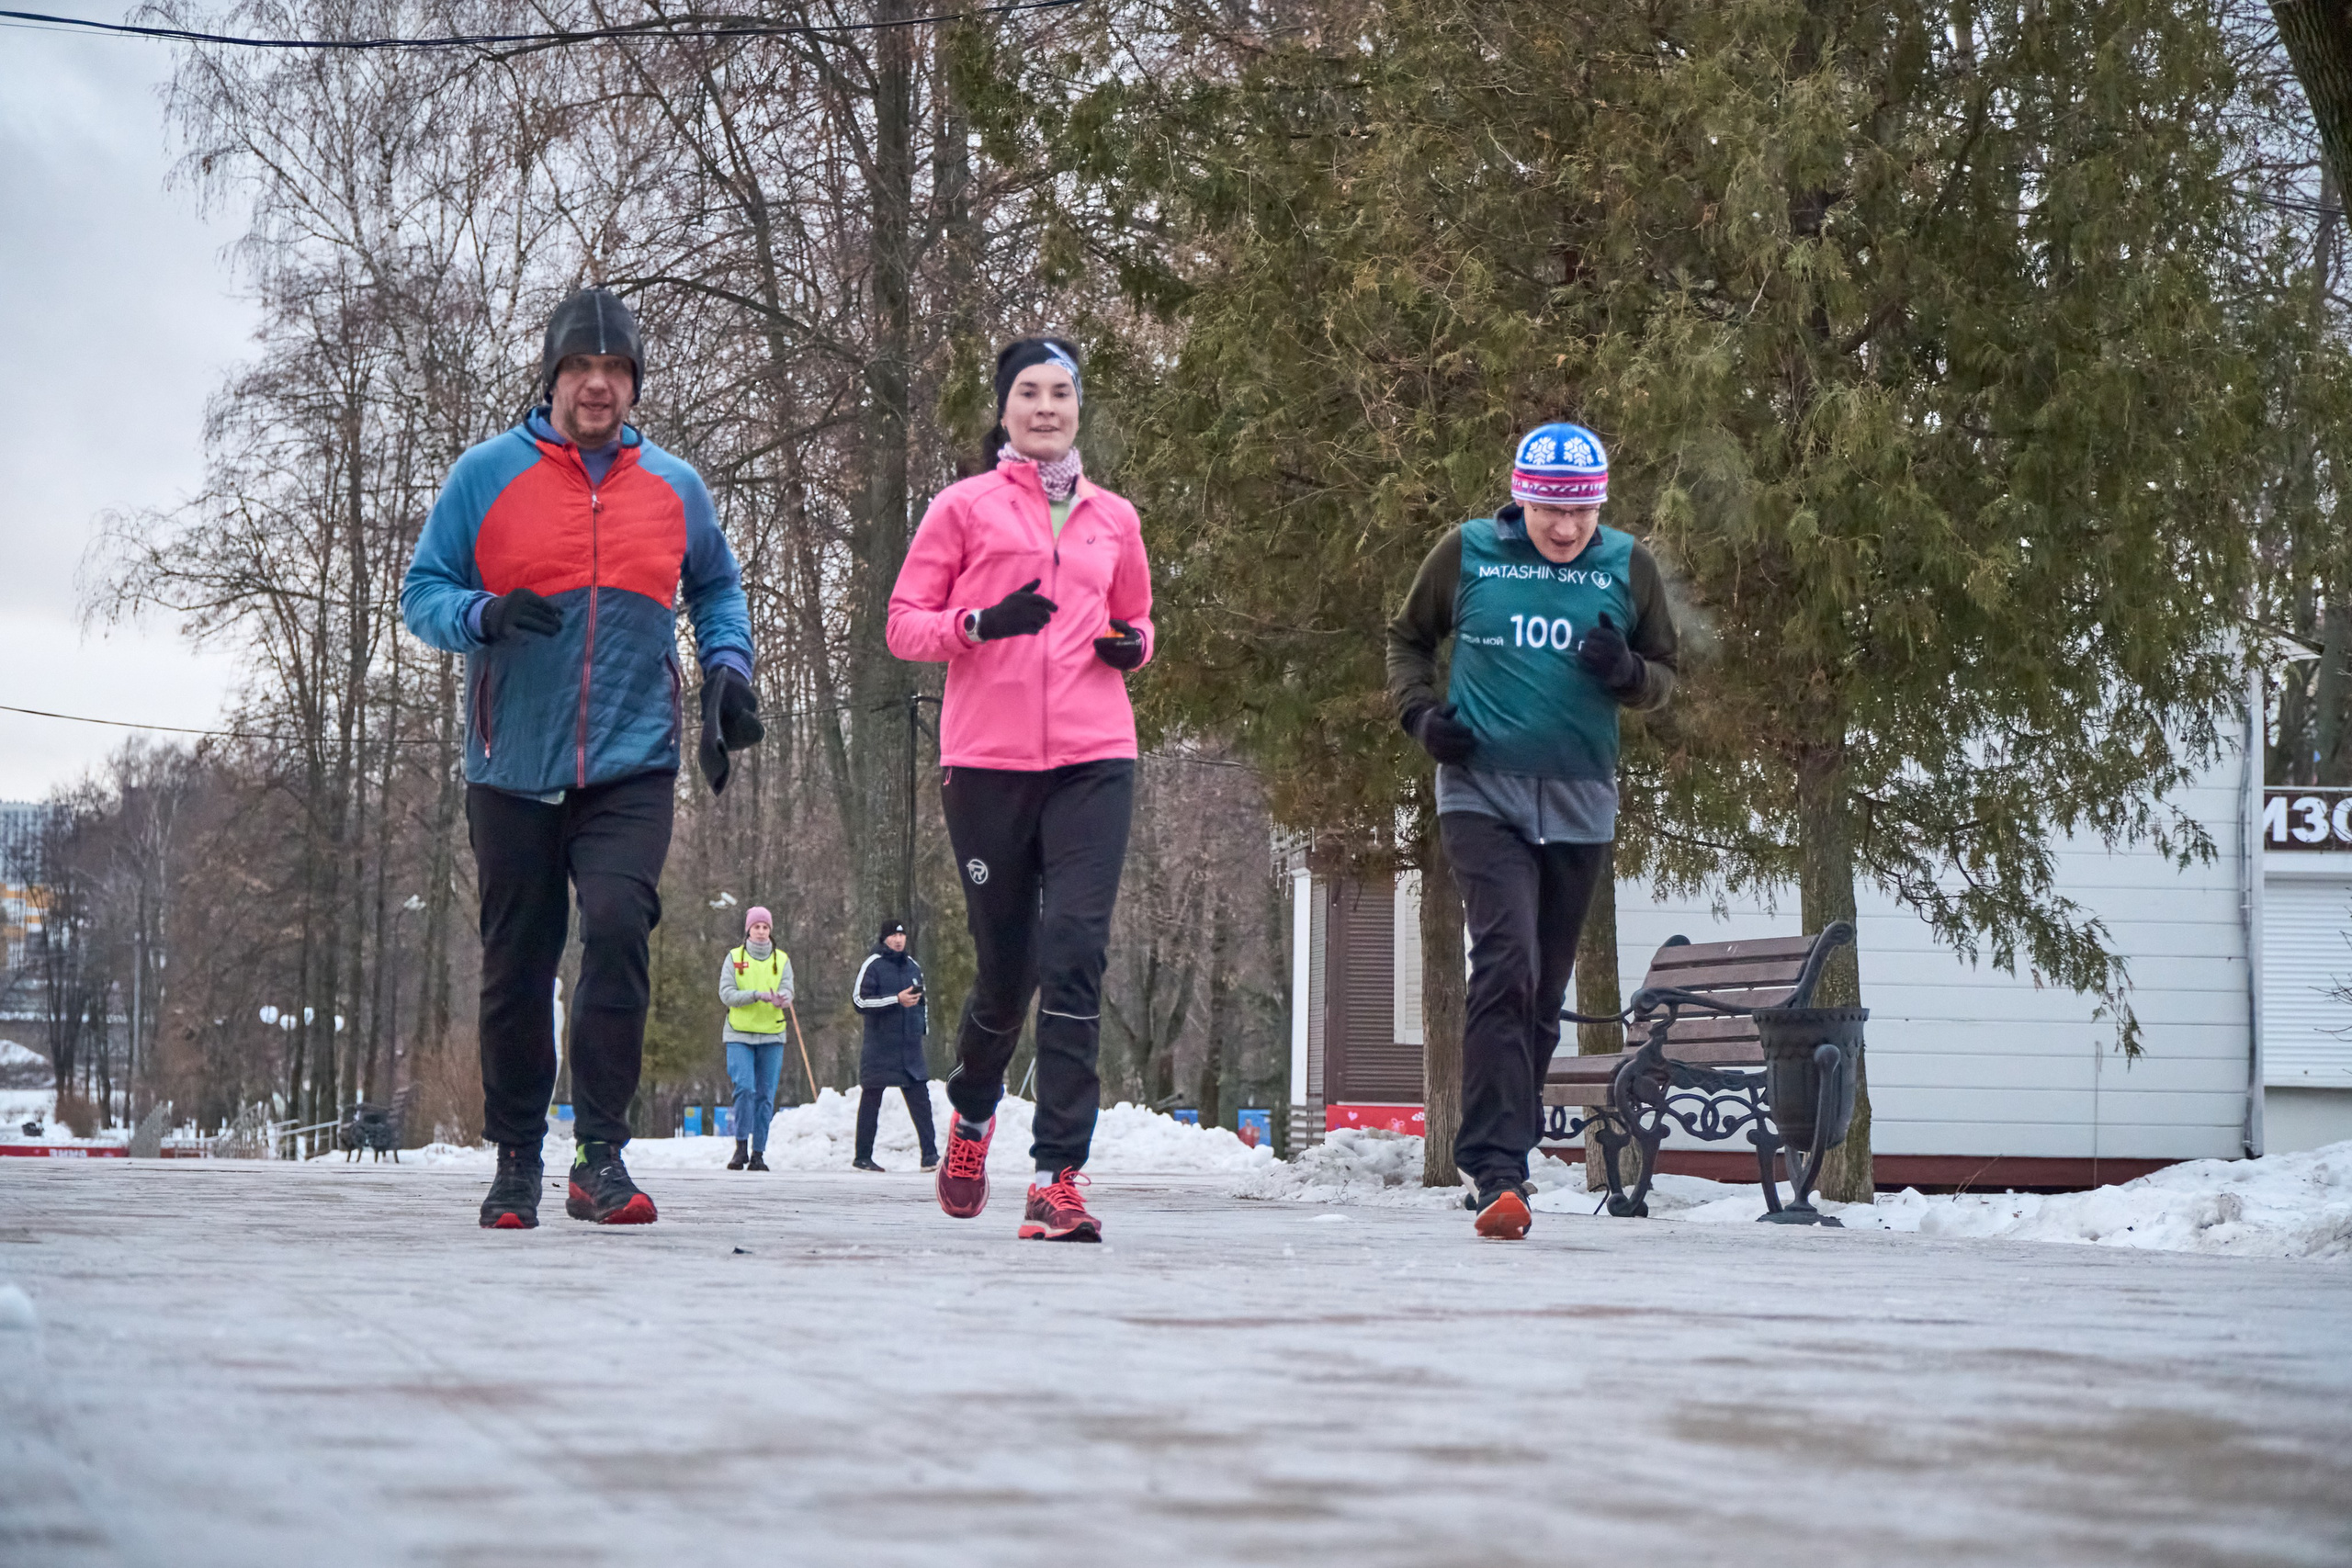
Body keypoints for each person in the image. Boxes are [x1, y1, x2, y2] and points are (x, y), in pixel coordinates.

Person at [401, 287, 765, 1230]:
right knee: (518, 961)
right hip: (511, 766)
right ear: (552, 378)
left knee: (616, 927)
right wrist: (482, 613)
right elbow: (422, 591)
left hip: (632, 760)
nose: (596, 385)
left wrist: (727, 668)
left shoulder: (674, 486)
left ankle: (600, 1155)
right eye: (579, 367)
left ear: (634, 383)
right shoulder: (485, 475)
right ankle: (517, 1157)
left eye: (614, 369)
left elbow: (717, 587)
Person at [885, 335, 1153, 1242]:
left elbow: (1137, 616)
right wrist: (978, 623)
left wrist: (1134, 645)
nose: (1046, 407)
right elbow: (903, 625)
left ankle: (1055, 1176)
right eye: (1029, 392)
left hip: (1094, 757)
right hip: (987, 763)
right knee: (1008, 971)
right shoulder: (962, 508)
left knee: (1075, 949)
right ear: (1004, 410)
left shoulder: (1114, 517)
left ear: (1079, 408)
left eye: (1061, 393)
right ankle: (972, 1112)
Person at [1385, 423, 1679, 1240]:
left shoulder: (1628, 565)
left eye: (1582, 511)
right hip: (1482, 794)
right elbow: (1407, 638)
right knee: (1505, 962)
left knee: (1544, 992)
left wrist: (1629, 673)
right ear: (1522, 499)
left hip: (1581, 804)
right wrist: (1421, 715)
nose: (1566, 526)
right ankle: (1495, 1168)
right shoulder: (1469, 553)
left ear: (1600, 507)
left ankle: (1505, 1156)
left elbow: (1664, 673)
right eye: (1551, 509)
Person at [850, 919, 937, 1172]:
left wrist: (921, 1030)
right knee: (871, 1100)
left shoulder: (913, 966)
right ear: (884, 939)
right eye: (893, 936)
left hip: (909, 1048)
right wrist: (895, 1000)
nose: (898, 940)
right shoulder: (873, 965)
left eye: (902, 935)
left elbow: (922, 1002)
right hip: (880, 1047)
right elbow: (859, 1001)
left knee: (921, 1101)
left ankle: (930, 1156)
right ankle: (862, 1157)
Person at [719, 906, 794, 1171]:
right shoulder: (734, 957)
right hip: (739, 1033)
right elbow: (726, 994)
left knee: (765, 1095)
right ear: (748, 930)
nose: (761, 932)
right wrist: (755, 995)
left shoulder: (782, 960)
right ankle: (740, 1146)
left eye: (765, 927)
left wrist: (782, 999)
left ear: (770, 931)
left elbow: (788, 991)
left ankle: (758, 1153)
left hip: (772, 1034)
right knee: (745, 1088)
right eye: (756, 927)